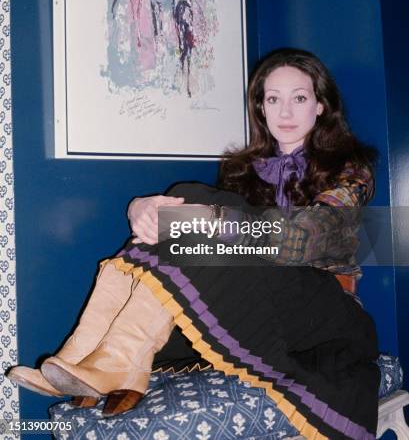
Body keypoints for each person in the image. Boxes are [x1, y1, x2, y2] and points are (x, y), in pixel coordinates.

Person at [8, 48, 380, 438]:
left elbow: (306, 240)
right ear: (261, 107)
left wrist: (191, 218)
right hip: (264, 306)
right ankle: (88, 355)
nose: (285, 112)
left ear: (321, 105)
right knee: (182, 214)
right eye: (273, 99)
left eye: (299, 98)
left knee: (186, 199)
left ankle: (107, 358)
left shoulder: (350, 171)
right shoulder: (242, 173)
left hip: (327, 313)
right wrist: (143, 208)